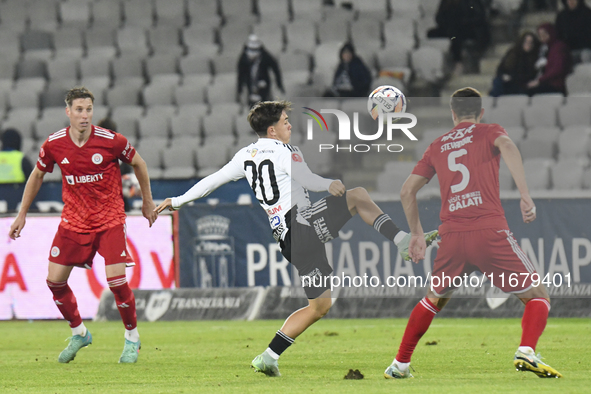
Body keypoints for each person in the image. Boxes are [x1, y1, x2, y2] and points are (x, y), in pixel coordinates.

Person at [155, 100, 438, 376]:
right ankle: (401, 240)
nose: (289, 124)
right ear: (272, 131)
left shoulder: (245, 156)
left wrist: (177, 200)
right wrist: (328, 184)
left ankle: (268, 356)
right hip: (302, 224)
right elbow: (307, 178)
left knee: (320, 306)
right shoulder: (284, 150)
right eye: (284, 121)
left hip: (289, 241)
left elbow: (211, 181)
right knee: (358, 196)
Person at [383, 87, 562, 379]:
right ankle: (526, 351)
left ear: (452, 114)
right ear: (480, 113)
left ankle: (400, 364)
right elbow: (508, 146)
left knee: (433, 299)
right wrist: (525, 194)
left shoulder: (437, 145)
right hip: (489, 232)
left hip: (452, 237)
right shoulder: (489, 131)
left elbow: (406, 191)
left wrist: (416, 233)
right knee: (538, 296)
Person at [8, 87, 158, 364]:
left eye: (88, 109)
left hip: (109, 218)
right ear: (68, 112)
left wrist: (147, 202)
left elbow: (139, 163)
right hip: (74, 221)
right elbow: (37, 175)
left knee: (116, 280)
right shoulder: (54, 144)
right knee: (55, 281)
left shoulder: (111, 141)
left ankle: (132, 338)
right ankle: (79, 332)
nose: (84, 115)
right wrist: (22, 214)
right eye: (79, 110)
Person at [428, 0, 490, 75]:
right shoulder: (446, 2)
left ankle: (458, 62)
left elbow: (479, 17)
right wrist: (447, 23)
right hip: (451, 28)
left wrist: (462, 22)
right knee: (432, 33)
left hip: (470, 29)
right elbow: (439, 18)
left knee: (455, 35)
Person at [237, 34, 285, 107]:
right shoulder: (243, 59)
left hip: (264, 82)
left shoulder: (265, 56)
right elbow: (240, 75)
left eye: (255, 50)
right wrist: (239, 90)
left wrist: (279, 85)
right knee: (252, 104)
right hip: (250, 83)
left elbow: (275, 69)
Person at [527, 23, 571, 96]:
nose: (542, 37)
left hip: (555, 85)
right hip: (545, 82)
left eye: (544, 34)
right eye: (540, 35)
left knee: (529, 91)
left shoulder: (559, 47)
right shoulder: (544, 49)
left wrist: (540, 80)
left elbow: (558, 69)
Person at [490, 32, 540, 97]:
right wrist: (504, 76)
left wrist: (513, 78)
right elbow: (501, 69)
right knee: (498, 82)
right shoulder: (512, 54)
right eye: (526, 42)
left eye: (531, 42)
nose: (528, 44)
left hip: (522, 84)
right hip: (509, 82)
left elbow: (530, 75)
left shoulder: (534, 57)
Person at [555, 0, 591, 64]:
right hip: (568, 50)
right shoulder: (561, 16)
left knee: (586, 56)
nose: (571, 1)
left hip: (585, 49)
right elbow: (558, 34)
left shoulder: (587, 13)